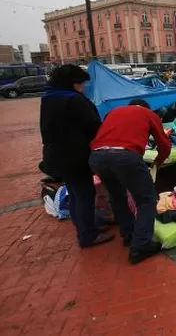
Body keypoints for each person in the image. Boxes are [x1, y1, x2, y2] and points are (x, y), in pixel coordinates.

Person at [89, 99, 171, 264]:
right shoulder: (148, 114)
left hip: (97, 157)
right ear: (147, 107)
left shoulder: (113, 112)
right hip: (125, 157)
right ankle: (140, 246)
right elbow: (164, 144)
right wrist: (158, 161)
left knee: (117, 196)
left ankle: (128, 234)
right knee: (146, 200)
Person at [40, 64, 113, 248]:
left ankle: (84, 227)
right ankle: (88, 235)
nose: (83, 87)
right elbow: (94, 127)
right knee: (85, 194)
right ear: (72, 83)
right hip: (75, 156)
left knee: (74, 193)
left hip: (56, 155)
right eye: (81, 83)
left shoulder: (49, 97)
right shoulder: (74, 100)